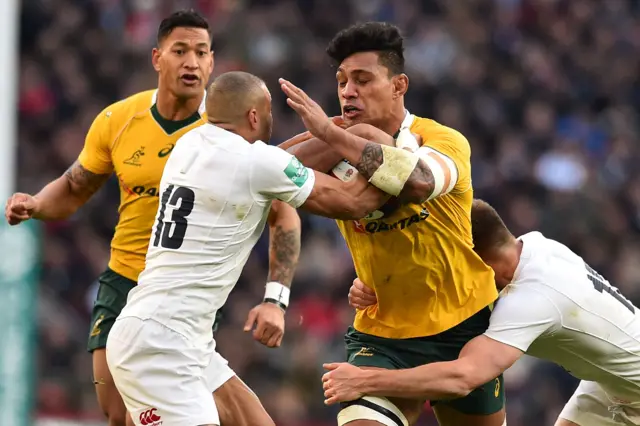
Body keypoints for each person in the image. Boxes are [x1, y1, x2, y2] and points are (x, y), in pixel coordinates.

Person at [3, 10, 295, 426]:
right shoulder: (119, 120)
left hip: (183, 298)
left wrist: (275, 298)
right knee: (119, 413)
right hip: (125, 281)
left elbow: (284, 212)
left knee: (241, 418)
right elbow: (73, 187)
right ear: (157, 58)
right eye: (180, 51)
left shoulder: (227, 132)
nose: (191, 62)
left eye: (201, 53)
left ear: (212, 63)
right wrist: (36, 203)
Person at [105, 71, 389, 426]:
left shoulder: (188, 146)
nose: (272, 120)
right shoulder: (254, 162)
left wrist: (275, 298)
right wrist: (396, 165)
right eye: (269, 111)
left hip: (175, 334)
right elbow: (351, 203)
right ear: (255, 116)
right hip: (162, 344)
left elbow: (282, 205)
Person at [278, 21, 505, 426]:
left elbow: (417, 182)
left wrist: (330, 131)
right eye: (342, 81)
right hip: (382, 336)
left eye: (363, 80)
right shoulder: (333, 147)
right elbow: (270, 174)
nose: (349, 91)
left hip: (463, 325)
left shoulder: (442, 140)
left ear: (399, 85)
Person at [328, 199, 640, 426]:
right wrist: (377, 285)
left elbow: (461, 379)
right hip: (610, 382)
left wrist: (365, 380)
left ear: (473, 260)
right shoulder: (534, 247)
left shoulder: (532, 300)